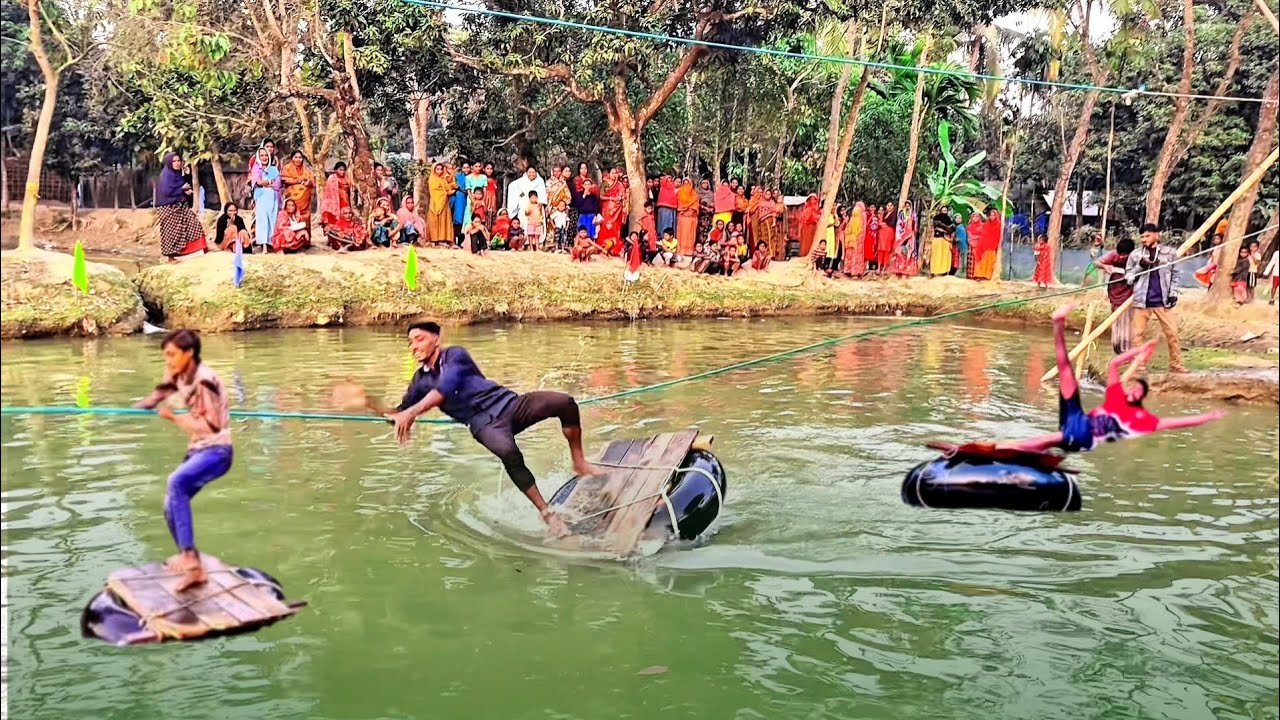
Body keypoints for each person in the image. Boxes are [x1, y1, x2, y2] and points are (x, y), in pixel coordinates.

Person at [384, 322, 600, 536]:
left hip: (510, 404)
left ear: (436, 340)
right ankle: (546, 513)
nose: (414, 346)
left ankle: (579, 462)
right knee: (508, 452)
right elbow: (399, 412)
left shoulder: (455, 355)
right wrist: (374, 406)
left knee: (564, 403)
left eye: (419, 339)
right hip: (484, 424)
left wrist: (411, 413)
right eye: (410, 342)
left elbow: (445, 389)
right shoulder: (419, 381)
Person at [995, 303, 1224, 454]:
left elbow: (1172, 423)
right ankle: (1058, 323)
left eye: (1137, 391)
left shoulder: (1141, 420)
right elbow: (1114, 365)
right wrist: (1137, 351)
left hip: (1085, 435)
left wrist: (1205, 417)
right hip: (1077, 419)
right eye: (1132, 388)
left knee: (1053, 439)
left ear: (1140, 398)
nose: (1132, 391)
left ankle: (1008, 449)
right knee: (1065, 370)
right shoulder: (1116, 398)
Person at [132, 329, 233, 591]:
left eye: (172, 354)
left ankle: (187, 554)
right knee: (170, 506)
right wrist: (142, 406)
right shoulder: (177, 371)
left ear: (189, 353)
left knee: (176, 482)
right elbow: (164, 389)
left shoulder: (205, 381)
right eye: (165, 355)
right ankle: (195, 569)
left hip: (217, 451)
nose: (168, 360)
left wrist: (174, 417)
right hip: (196, 450)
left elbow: (211, 427)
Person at [1125, 223, 1187, 374]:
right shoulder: (1135, 255)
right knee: (1136, 336)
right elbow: (1128, 278)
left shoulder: (1170, 253)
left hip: (1162, 301)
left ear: (1156, 235)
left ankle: (1176, 365)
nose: (1144, 239)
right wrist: (1140, 267)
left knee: (1172, 333)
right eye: (1142, 237)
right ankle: (1139, 367)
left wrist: (1173, 293)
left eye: (1147, 236)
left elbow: (1176, 274)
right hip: (1142, 301)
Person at [155, 152, 208, 262]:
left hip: (181, 205)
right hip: (168, 207)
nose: (177, 163)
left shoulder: (178, 174)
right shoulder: (166, 176)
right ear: (169, 163)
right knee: (172, 232)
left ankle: (199, 248)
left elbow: (182, 186)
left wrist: (185, 191)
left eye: (178, 161)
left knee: (194, 224)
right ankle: (170, 256)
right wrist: (182, 189)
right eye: (174, 161)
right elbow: (166, 191)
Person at [1096, 237, 1136, 354]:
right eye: (1120, 254)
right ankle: (1117, 347)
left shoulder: (1136, 257)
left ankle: (1126, 349)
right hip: (1115, 289)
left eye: (1125, 255)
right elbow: (1096, 263)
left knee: (1127, 319)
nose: (1122, 257)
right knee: (1116, 318)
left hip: (1129, 290)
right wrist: (1105, 266)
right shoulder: (1113, 255)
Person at [280, 151, 316, 228]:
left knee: (305, 215)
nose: (298, 159)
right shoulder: (287, 168)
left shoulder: (306, 168)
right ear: (292, 158)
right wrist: (297, 181)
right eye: (296, 157)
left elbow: (312, 181)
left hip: (305, 198)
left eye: (300, 157)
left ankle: (305, 232)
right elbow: (283, 179)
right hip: (292, 194)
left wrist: (308, 183)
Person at [426, 163, 456, 246]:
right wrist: (446, 192)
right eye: (437, 169)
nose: (440, 171)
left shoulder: (443, 179)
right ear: (434, 170)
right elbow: (435, 191)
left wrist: (449, 190)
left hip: (444, 203)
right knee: (435, 220)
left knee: (444, 220)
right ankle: (435, 239)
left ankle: (445, 239)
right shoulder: (432, 180)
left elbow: (449, 187)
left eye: (441, 169)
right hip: (435, 203)